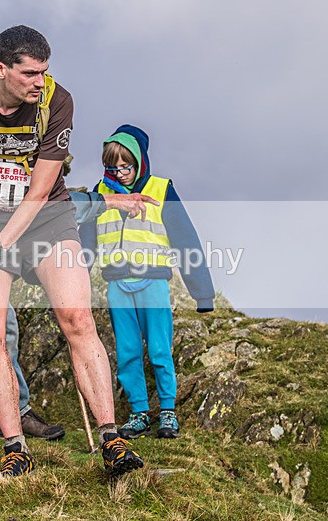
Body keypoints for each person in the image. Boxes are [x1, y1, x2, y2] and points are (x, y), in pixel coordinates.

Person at [0, 25, 145, 478]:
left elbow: (38, 192)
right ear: (0, 70)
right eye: (30, 73)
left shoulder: (57, 101)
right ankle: (15, 447)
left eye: (44, 72)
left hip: (46, 217)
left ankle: (112, 439)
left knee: (77, 317)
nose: (40, 81)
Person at [0, 171, 150, 441]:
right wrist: (112, 202)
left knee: (5, 329)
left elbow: (49, 202)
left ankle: (15, 412)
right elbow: (44, 203)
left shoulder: (26, 162)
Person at [82, 124, 215, 440]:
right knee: (127, 352)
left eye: (126, 166)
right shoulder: (100, 195)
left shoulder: (161, 189)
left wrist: (203, 293)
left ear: (140, 162)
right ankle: (139, 412)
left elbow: (186, 241)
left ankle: (168, 411)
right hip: (117, 286)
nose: (120, 173)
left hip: (153, 285)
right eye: (113, 168)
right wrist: (73, 287)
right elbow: (85, 244)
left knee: (159, 349)